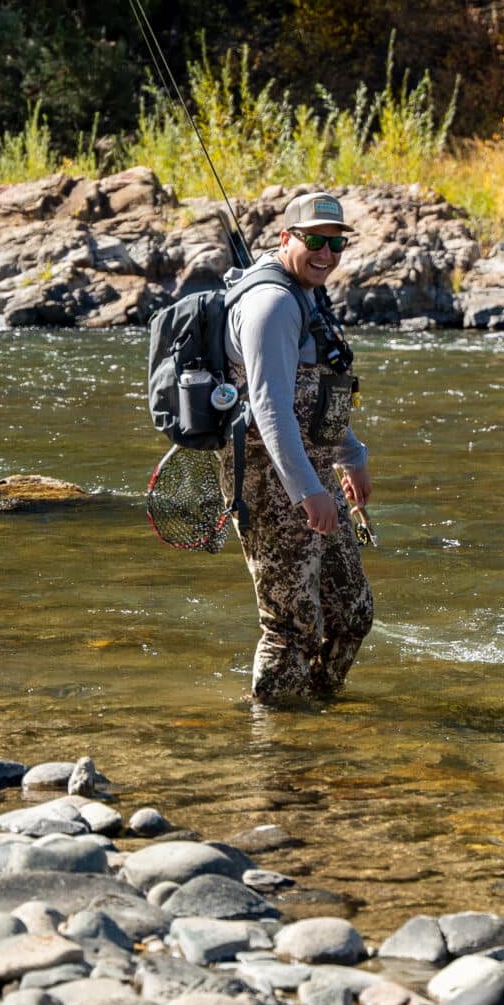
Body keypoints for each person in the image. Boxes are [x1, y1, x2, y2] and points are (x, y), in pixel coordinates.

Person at [222, 193, 374, 705]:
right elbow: (270, 410)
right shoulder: (271, 303)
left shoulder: (306, 293)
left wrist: (352, 456)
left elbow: (313, 397)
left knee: (352, 611)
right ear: (286, 238)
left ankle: (316, 720)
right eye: (315, 241)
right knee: (292, 627)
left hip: (313, 472)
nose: (326, 254)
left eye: (336, 244)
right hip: (271, 482)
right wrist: (309, 490)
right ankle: (273, 744)